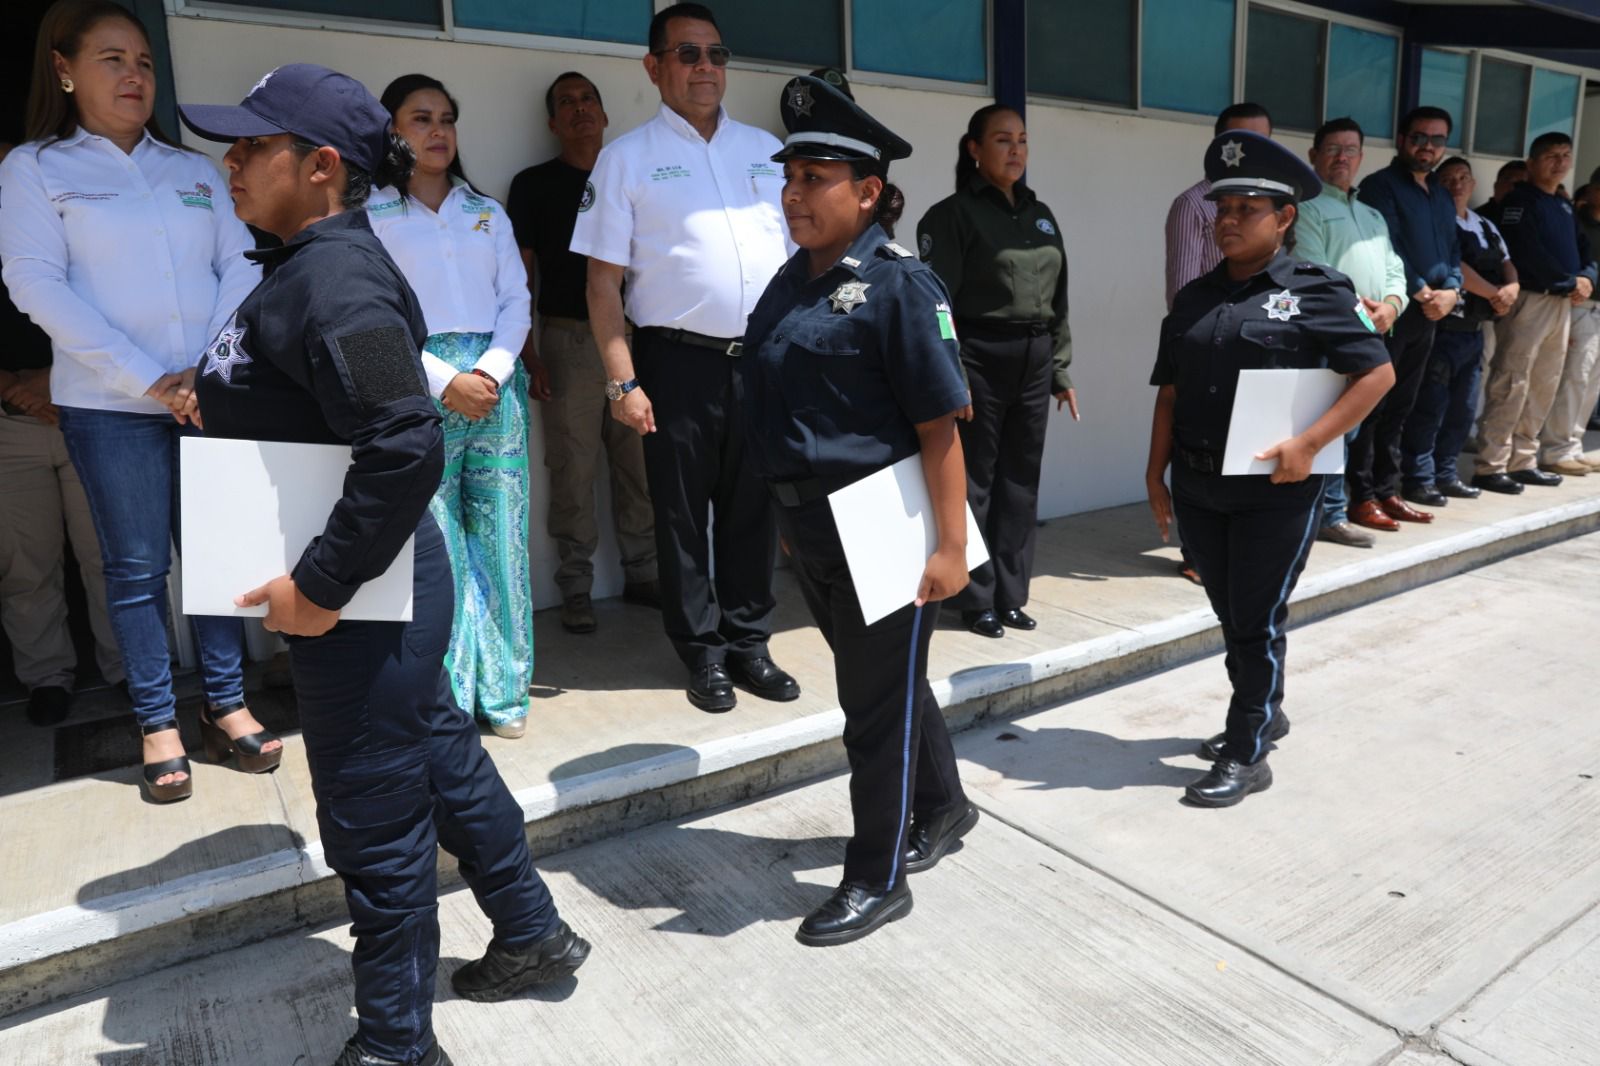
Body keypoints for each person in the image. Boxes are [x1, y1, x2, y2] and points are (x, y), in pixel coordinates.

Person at [178, 63, 591, 1066]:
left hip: (361, 604)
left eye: (250, 146)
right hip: (370, 595)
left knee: (375, 825)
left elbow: (405, 442)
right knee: (436, 752)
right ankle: (531, 928)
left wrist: (316, 587)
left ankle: (398, 1046)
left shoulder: (339, 282)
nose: (228, 162)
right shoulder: (303, 263)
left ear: (321, 168)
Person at [0, 0, 272, 802]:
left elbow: (242, 264)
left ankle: (226, 703)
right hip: (110, 405)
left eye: (144, 62)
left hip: (205, 396)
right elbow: (33, 284)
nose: (134, 75)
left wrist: (203, 370)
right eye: (113, 59)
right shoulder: (36, 169)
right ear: (64, 70)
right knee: (135, 568)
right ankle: (158, 719)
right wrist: (148, 378)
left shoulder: (191, 171)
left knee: (218, 559)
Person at [742, 74, 976, 945]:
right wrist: (795, 528)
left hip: (885, 520)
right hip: (814, 524)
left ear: (869, 191)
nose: (793, 194)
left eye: (815, 178)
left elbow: (940, 426)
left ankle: (876, 877)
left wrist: (950, 548)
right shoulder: (789, 280)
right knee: (888, 686)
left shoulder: (901, 287)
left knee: (870, 710)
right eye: (789, 177)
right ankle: (944, 808)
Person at [1145, 131, 1394, 808]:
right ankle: (1265, 706)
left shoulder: (1317, 289)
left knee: (1254, 618)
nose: (1227, 221)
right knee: (1234, 613)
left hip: (1277, 492)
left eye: (1245, 209)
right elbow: (1169, 390)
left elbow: (1376, 374)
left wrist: (1310, 443)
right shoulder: (1194, 297)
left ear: (1284, 219)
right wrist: (1153, 474)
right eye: (1221, 209)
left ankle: (1247, 745)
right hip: (1199, 486)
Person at [572, 3, 800, 713]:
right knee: (678, 517)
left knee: (751, 511)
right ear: (655, 66)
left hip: (761, 363)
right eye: (688, 54)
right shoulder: (626, 159)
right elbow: (602, 284)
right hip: (675, 366)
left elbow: (798, 265)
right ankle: (702, 653)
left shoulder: (767, 151)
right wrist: (622, 381)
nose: (706, 68)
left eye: (717, 55)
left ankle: (749, 642)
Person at [367, 73, 534, 739]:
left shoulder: (485, 210)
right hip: (418, 389)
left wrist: (490, 372)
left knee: (501, 541)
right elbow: (376, 323)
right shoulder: (370, 215)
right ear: (391, 133)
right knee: (437, 550)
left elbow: (516, 301)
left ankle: (507, 691)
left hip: (497, 392)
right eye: (420, 118)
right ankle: (452, 694)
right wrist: (446, 381)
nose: (438, 131)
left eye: (447, 118)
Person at [506, 71, 658, 636]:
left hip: (636, 343)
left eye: (588, 98)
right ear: (552, 123)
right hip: (567, 340)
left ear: (605, 112)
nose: (579, 109)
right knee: (572, 469)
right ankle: (575, 586)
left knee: (639, 464)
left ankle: (644, 573)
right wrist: (529, 353)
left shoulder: (631, 174)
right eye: (565, 103)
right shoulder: (534, 185)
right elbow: (520, 279)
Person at [915, 105, 1075, 638]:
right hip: (979, 354)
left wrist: (1061, 371)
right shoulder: (953, 215)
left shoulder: (1040, 213)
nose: (1015, 150)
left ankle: (1011, 594)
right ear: (974, 149)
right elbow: (938, 307)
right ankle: (976, 597)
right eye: (1002, 140)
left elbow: (1060, 300)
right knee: (976, 480)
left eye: (1023, 140)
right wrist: (950, 375)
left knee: (1020, 482)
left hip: (1032, 357)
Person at [0, 169, 125, 726]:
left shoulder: (75, 233)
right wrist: (19, 392)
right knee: (26, 564)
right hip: (11, 424)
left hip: (87, 406)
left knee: (109, 555)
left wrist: (55, 381)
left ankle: (129, 669)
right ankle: (45, 676)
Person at [1164, 102, 1272, 583]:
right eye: (1239, 140)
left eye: (1262, 140)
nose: (1251, 151)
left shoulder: (1275, 202)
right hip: (1209, 346)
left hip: (1261, 346)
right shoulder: (1195, 203)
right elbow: (1183, 293)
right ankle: (1195, 551)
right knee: (1202, 446)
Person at [1294, 116, 1409, 549]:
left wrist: (1393, 307)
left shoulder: (1371, 213)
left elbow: (1395, 268)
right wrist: (1363, 312)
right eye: (1332, 149)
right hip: (1330, 337)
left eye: (1351, 150)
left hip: (1371, 334)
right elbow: (1314, 270)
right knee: (1329, 426)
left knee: (1351, 428)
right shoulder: (1305, 208)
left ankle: (1328, 512)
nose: (1342, 157)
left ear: (1361, 157)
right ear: (1314, 156)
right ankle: (1327, 514)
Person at [1349, 106, 1463, 531]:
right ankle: (1361, 497)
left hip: (1431, 314)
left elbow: (1452, 248)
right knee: (1373, 407)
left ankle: (1388, 491)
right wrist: (1422, 291)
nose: (1427, 146)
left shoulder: (1440, 191)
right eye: (1419, 137)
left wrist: (1451, 290)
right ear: (1401, 139)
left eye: (1436, 139)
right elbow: (1388, 245)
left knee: (1402, 408)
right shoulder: (1380, 187)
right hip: (1392, 312)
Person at [1476, 132, 1597, 492]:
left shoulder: (1563, 205)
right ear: (1531, 163)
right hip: (1531, 300)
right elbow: (1525, 253)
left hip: (1562, 303)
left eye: (1565, 155)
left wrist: (1586, 278)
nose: (1559, 162)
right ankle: (1491, 463)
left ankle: (1523, 459)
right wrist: (1568, 282)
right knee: (1512, 381)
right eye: (1551, 156)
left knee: (1545, 383)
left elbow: (1586, 252)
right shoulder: (1520, 202)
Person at [1401, 157, 1517, 502]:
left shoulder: (1484, 225)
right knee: (1430, 406)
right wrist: (1495, 293)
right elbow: (1458, 267)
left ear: (1473, 183)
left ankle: (1446, 473)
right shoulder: (1437, 221)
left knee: (1463, 408)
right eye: (1448, 178)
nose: (1457, 184)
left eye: (1463, 177)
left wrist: (1511, 288)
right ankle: (1419, 477)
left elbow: (1507, 261)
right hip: (1442, 328)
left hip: (1474, 329)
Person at [1537, 181, 1600, 475]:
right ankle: (1556, 449)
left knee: (1591, 383)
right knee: (1574, 377)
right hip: (1579, 307)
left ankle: (1574, 444)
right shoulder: (1575, 221)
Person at [1476, 160, 1527, 227]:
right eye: (1507, 182)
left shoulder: (1533, 217)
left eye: (1520, 184)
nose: (1512, 188)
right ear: (1496, 185)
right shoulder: (1476, 218)